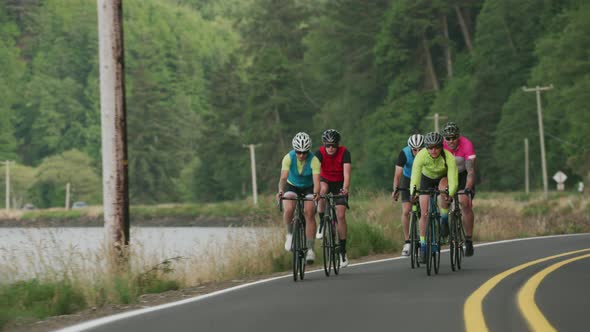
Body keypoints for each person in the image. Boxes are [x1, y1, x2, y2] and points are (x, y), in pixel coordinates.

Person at [410, 132, 458, 263]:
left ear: (441, 147)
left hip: (442, 177)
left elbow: (453, 178)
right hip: (426, 179)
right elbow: (415, 177)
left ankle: (443, 219)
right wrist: (413, 193)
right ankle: (424, 247)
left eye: (436, 147)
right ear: (426, 148)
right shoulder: (421, 156)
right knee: (424, 213)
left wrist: (451, 194)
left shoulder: (448, 156)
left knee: (444, 190)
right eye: (430, 148)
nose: (433, 150)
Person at [277, 132, 321, 264]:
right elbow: (283, 177)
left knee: (309, 213)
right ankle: (290, 235)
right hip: (292, 186)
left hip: (308, 187)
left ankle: (310, 249)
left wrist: (316, 193)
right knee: (289, 209)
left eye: (304, 152)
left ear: (308, 151)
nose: (301, 155)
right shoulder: (288, 158)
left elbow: (317, 181)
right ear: (294, 150)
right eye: (298, 152)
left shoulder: (314, 160)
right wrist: (280, 190)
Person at [314, 129, 352, 267]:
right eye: (328, 145)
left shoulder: (344, 153)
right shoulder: (319, 153)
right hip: (325, 180)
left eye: (333, 145)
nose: (330, 148)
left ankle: (342, 251)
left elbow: (347, 174)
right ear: (324, 144)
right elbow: (316, 173)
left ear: (338, 145)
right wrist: (315, 190)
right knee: (322, 190)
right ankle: (322, 223)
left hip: (340, 184)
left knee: (340, 215)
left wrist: (345, 189)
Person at [442, 122, 476, 257]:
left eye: (454, 138)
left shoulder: (467, 145)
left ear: (459, 137)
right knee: (443, 195)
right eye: (448, 138)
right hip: (446, 175)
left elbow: (471, 171)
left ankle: (468, 239)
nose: (451, 141)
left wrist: (468, 188)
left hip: (463, 175)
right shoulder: (441, 145)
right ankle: (444, 221)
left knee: (464, 202)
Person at [392, 134, 425, 256]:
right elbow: (397, 175)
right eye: (414, 150)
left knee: (424, 210)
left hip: (423, 179)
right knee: (406, 210)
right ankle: (407, 242)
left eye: (420, 149)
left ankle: (425, 238)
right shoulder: (404, 153)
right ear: (410, 148)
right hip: (408, 178)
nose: (417, 152)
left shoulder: (428, 153)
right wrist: (395, 189)